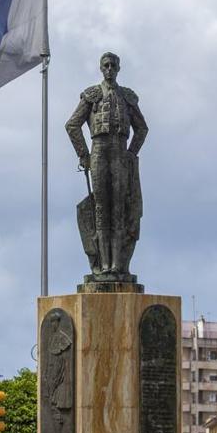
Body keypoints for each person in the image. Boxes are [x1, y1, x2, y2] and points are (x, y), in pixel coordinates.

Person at [65, 52, 148, 278]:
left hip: (120, 150)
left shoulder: (127, 97)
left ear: (118, 69)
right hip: (99, 150)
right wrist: (84, 155)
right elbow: (72, 125)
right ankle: (103, 265)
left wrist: (131, 153)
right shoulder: (91, 95)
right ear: (101, 69)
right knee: (101, 209)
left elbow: (142, 128)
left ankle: (117, 265)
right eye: (106, 65)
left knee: (119, 208)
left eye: (113, 65)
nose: (110, 69)